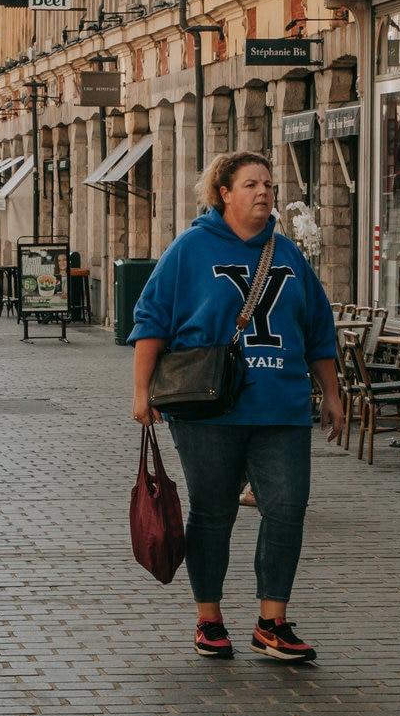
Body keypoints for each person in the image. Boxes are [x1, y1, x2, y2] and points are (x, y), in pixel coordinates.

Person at [128, 151, 345, 664]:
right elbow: (151, 320)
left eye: (268, 184)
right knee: (213, 512)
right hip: (208, 409)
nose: (264, 192)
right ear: (224, 192)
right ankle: (209, 619)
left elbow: (318, 329)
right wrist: (141, 393)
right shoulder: (190, 249)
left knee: (287, 509)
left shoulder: (288, 254)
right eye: (251, 184)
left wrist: (331, 393)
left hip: (282, 408)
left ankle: (272, 621)